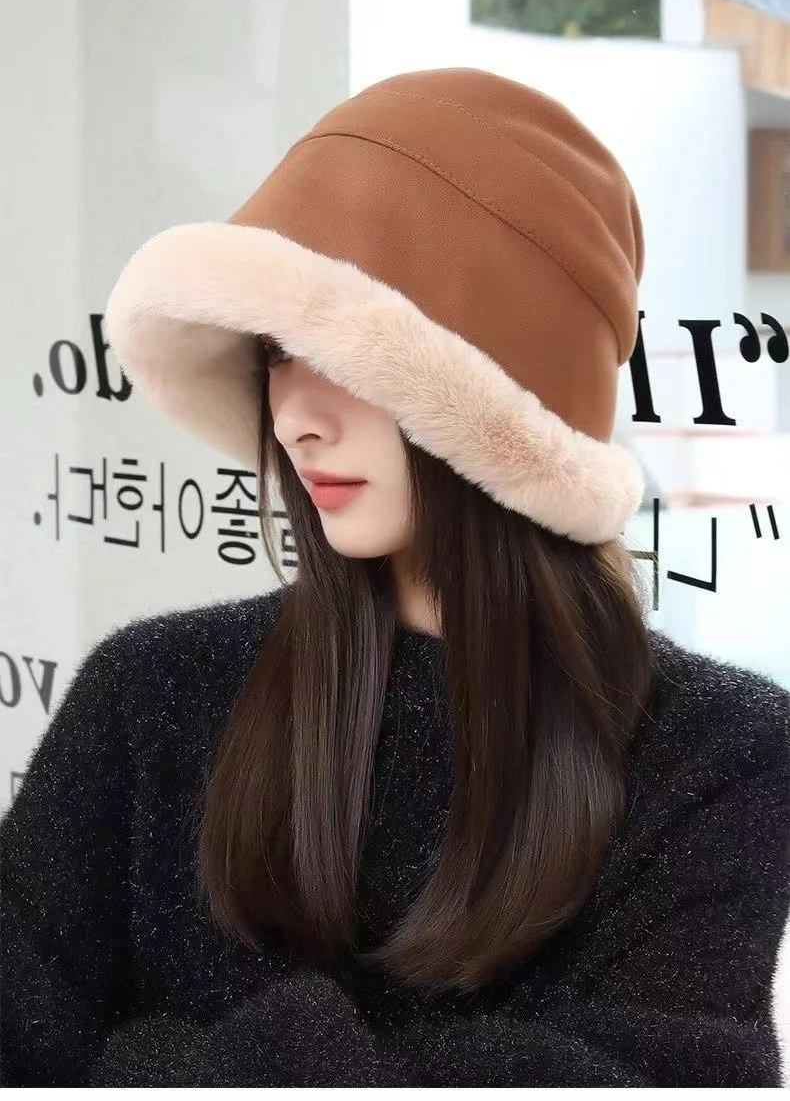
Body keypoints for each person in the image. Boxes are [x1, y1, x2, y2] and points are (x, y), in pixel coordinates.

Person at [1, 67, 788, 1088]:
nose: (294, 418)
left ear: (496, 393)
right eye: (278, 353)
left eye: (350, 358)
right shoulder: (149, 696)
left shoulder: (719, 755)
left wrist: (174, 1064)